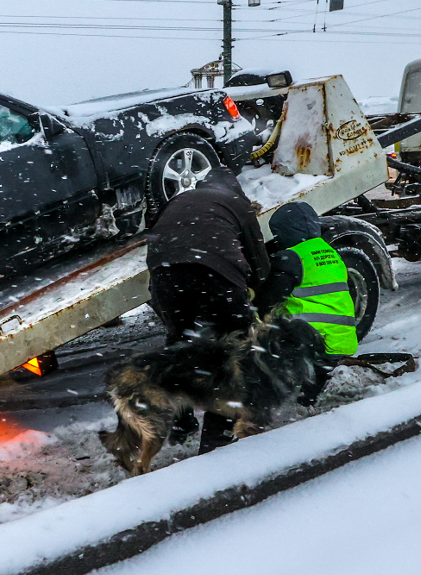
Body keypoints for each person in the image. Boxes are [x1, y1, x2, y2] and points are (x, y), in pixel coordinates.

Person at [144, 166, 270, 453]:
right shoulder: (236, 203)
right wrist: (257, 295)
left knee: (180, 345)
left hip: (164, 277)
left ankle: (181, 422)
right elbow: (260, 264)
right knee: (234, 352)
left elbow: (157, 240)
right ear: (235, 188)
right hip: (215, 274)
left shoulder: (178, 201)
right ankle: (217, 439)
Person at [256, 201, 358, 360]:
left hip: (311, 345)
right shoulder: (331, 252)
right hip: (341, 342)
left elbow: (268, 299)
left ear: (282, 232)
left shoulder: (291, 257)